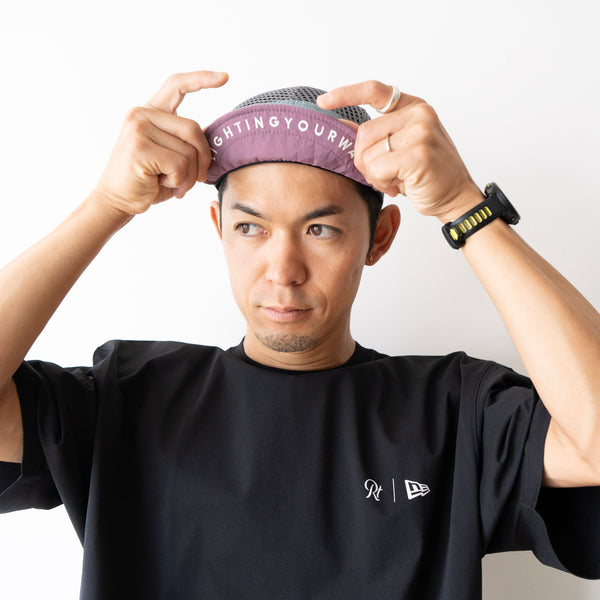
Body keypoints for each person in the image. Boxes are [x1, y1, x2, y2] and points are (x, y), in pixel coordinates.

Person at [0, 69, 599, 599]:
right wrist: (107, 204)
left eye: (320, 230)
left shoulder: (455, 409)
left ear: (380, 238)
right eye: (251, 228)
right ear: (219, 229)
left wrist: (461, 204)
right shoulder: (129, 399)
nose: (283, 270)